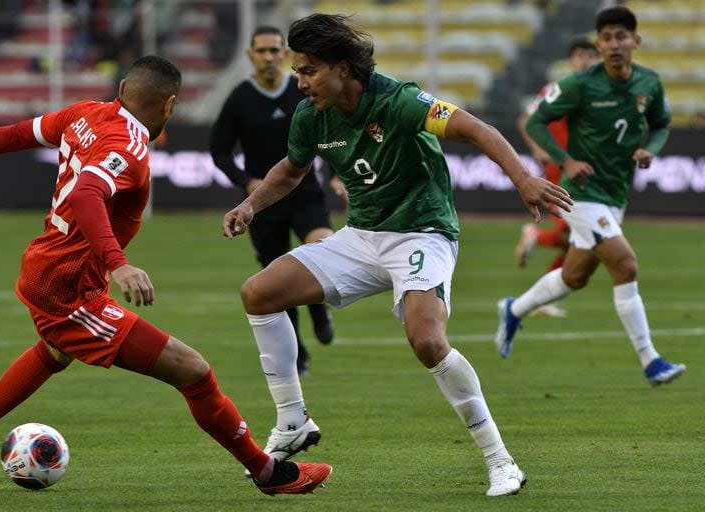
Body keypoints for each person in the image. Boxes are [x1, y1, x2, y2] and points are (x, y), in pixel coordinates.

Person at [0, 55, 331, 495]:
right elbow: (88, 191)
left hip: (47, 268)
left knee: (54, 351)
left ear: (123, 88)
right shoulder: (130, 148)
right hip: (69, 289)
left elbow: (18, 133)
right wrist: (118, 262)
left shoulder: (83, 113)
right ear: (169, 107)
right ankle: (267, 473)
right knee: (194, 372)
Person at [223, 14, 572, 496]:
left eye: (308, 71)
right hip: (363, 236)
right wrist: (249, 204)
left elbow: (476, 129)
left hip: (423, 233)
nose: (299, 82)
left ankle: (500, 460)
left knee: (426, 341)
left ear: (343, 68)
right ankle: (292, 422)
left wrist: (523, 178)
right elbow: (291, 170)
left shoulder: (400, 100)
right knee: (259, 293)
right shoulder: (311, 115)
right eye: (297, 71)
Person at [496, 6, 686, 387]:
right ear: (599, 44)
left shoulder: (649, 83)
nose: (614, 44)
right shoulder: (581, 84)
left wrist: (654, 148)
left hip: (615, 192)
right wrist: (565, 162)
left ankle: (513, 309)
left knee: (574, 277)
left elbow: (662, 124)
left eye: (621, 36)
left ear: (636, 41)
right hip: (581, 195)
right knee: (626, 265)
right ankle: (651, 361)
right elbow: (535, 122)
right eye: (607, 37)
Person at [210, 26, 337, 376]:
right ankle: (298, 352)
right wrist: (246, 181)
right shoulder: (239, 99)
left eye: (274, 50)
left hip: (306, 193)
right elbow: (219, 151)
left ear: (285, 55)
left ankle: (319, 309)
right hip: (263, 203)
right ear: (250, 55)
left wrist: (339, 174)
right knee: (277, 279)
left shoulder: (303, 93)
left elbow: (332, 133)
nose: (269, 57)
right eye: (261, 51)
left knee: (322, 248)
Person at [513, 38, 599, 317]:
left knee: (579, 240)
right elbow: (526, 120)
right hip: (561, 167)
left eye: (589, 55)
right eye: (579, 55)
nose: (584, 60)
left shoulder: (599, 93)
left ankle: (542, 296)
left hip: (585, 169)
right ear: (571, 61)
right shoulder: (557, 89)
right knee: (582, 237)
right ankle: (536, 236)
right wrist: (539, 150)